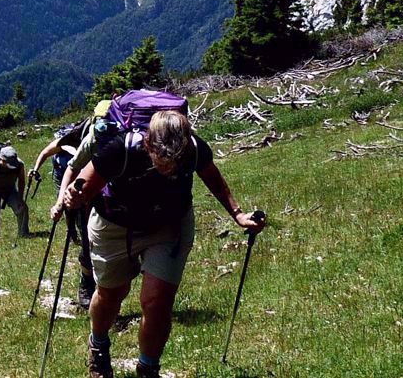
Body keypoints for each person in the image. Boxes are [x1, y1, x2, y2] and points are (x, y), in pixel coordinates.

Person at [54, 110, 265, 378]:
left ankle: (148, 368)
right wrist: (72, 198)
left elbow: (212, 176)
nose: (169, 166)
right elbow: (85, 184)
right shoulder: (120, 149)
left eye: (175, 159)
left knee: (157, 302)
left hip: (169, 225)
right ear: (148, 143)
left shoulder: (194, 149)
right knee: (111, 294)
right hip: (115, 227)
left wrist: (238, 215)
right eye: (162, 158)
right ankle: (98, 346)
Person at [34, 118, 99, 308]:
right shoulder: (66, 141)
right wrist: (59, 203)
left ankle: (79, 235)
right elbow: (45, 153)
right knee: (71, 213)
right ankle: (73, 231)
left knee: (86, 227)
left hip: (89, 184)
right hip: (63, 178)